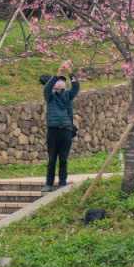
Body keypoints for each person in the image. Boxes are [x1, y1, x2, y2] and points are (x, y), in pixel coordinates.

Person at [43, 59, 81, 193]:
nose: (60, 84)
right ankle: (48, 183)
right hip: (53, 130)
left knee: (63, 158)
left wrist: (70, 73)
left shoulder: (68, 96)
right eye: (58, 83)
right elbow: (46, 87)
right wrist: (58, 73)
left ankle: (62, 182)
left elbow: (76, 87)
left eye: (62, 82)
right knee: (52, 158)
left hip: (65, 130)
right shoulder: (50, 97)